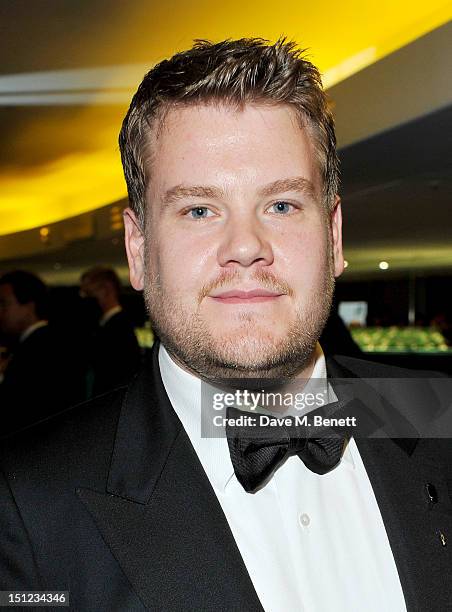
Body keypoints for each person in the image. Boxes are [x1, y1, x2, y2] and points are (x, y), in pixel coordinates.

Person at [0, 39, 451, 611]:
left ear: (334, 236)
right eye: (198, 210)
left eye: (282, 205)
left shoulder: (439, 418)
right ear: (137, 248)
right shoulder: (26, 505)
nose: (245, 247)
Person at [0, 270, 82, 436]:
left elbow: (19, 408)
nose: (1, 312)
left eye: (4, 304)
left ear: (29, 306)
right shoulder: (43, 342)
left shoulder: (38, 349)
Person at [79, 266, 142, 396]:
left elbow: (121, 372)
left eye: (89, 293)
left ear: (107, 289)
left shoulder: (120, 326)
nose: (85, 299)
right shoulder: (100, 324)